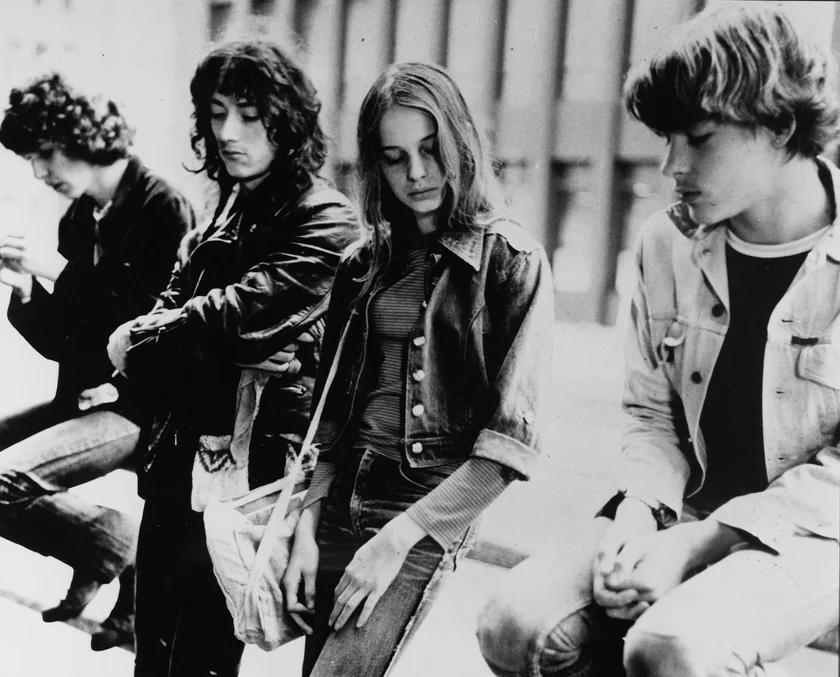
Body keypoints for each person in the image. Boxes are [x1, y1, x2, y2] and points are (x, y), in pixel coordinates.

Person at [476, 4, 840, 676]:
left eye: (698, 138)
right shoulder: (665, 243)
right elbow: (651, 417)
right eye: (667, 138)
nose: (670, 164)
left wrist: (702, 545)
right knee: (514, 623)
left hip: (815, 533)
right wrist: (639, 516)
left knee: (671, 648)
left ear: (781, 127)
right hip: (681, 512)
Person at [280, 61, 554, 677]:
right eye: (395, 157)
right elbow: (330, 417)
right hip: (340, 499)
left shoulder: (511, 261)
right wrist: (306, 524)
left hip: (419, 508)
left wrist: (398, 539)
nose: (417, 173)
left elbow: (509, 447)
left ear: (461, 142)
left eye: (431, 149)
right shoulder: (361, 265)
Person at [107, 40, 360, 677]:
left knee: (200, 661)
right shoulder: (222, 214)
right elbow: (161, 345)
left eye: (249, 115)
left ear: (287, 122)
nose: (227, 133)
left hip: (247, 477)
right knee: (153, 658)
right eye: (217, 114)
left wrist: (150, 336)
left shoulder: (326, 219)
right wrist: (164, 339)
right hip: (177, 463)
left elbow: (226, 321)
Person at [0, 73, 194, 651]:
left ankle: (121, 547)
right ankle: (101, 551)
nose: (39, 172)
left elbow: (162, 326)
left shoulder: (163, 207)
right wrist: (27, 290)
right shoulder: (80, 217)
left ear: (79, 137)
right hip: (90, 398)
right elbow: (66, 339)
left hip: (145, 407)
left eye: (44, 153)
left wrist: (58, 274)